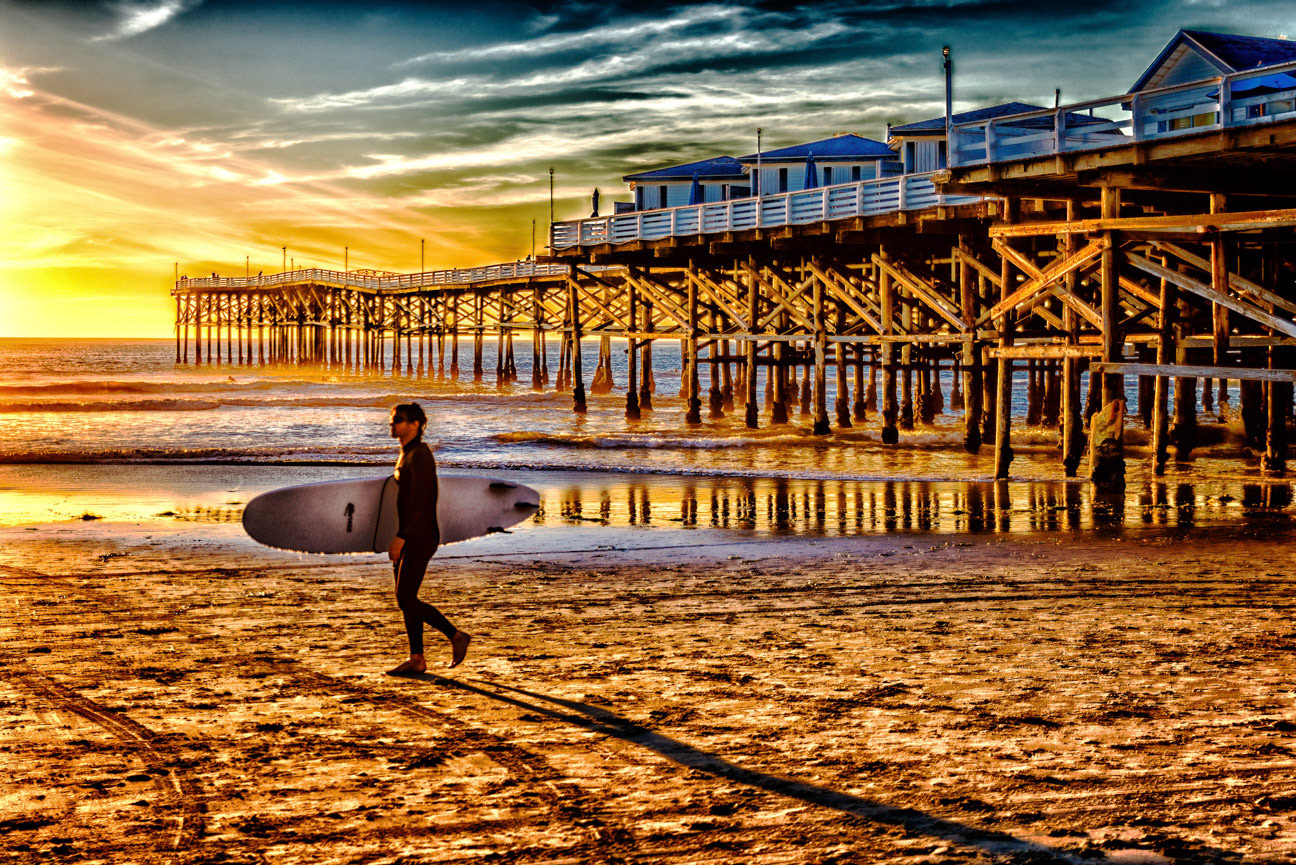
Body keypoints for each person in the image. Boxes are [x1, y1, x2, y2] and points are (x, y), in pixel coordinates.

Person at [386, 403, 470, 673]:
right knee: (407, 597)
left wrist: (401, 536)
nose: (392, 424)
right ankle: (417, 658)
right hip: (412, 533)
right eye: (392, 420)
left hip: (420, 535)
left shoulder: (420, 455)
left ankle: (456, 636)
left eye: (398, 420)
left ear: (414, 424)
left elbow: (423, 501)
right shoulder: (407, 453)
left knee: (405, 599)